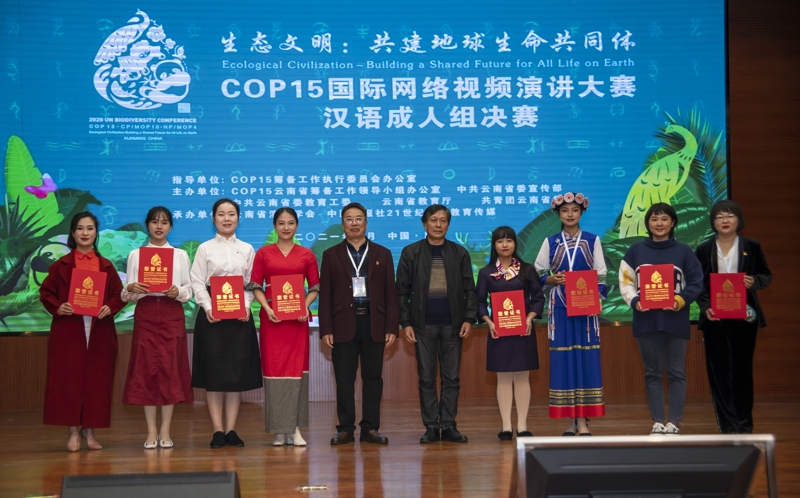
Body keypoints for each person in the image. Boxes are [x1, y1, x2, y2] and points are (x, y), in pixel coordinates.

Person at [39, 211, 125, 452]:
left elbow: (119, 295)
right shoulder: (60, 265)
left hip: (99, 330)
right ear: (73, 233)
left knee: (97, 382)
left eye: (90, 228)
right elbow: (46, 294)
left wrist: (110, 307)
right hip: (69, 330)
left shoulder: (106, 265)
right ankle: (72, 431)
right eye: (80, 228)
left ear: (96, 233)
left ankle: (90, 430)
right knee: (70, 380)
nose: (85, 233)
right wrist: (59, 307)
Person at [318, 202, 399, 446]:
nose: (354, 223)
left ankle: (370, 428)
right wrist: (326, 328)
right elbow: (325, 294)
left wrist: (391, 327)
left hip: (374, 323)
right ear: (343, 224)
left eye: (359, 218)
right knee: (344, 379)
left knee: (373, 378)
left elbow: (391, 293)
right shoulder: (331, 255)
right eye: (349, 219)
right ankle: (345, 429)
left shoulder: (382, 253)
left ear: (366, 222)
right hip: (343, 324)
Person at [619, 202, 703, 435]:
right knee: (652, 373)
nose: (659, 223)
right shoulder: (635, 250)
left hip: (676, 320)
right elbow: (625, 282)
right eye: (654, 219)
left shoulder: (684, 251)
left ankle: (674, 421)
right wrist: (635, 301)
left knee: (676, 372)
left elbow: (696, 281)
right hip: (645, 321)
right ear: (647, 223)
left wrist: (681, 299)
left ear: (673, 222)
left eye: (664, 218)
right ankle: (657, 421)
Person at [396, 204, 477, 444]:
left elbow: (469, 290)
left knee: (452, 379)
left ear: (448, 225)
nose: (438, 225)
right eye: (433, 220)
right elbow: (401, 292)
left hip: (454, 326)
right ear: (425, 224)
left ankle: (449, 425)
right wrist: (406, 322)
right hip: (423, 327)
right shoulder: (411, 252)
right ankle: (431, 426)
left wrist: (469, 318)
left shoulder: (459, 253)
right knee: (426, 379)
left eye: (443, 220)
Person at [190, 198, 261, 448]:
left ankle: (231, 430)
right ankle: (217, 431)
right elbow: (197, 281)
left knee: (235, 374)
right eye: (221, 214)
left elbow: (252, 282)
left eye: (231, 214)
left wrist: (246, 305)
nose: (227, 218)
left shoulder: (248, 249)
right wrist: (209, 307)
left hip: (239, 316)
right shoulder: (205, 248)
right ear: (213, 218)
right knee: (214, 373)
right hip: (212, 316)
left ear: (238, 218)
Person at [534, 192, 607, 436]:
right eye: (565, 211)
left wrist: (597, 298)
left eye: (575, 210)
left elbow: (601, 273)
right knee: (564, 361)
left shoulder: (592, 240)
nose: (570, 215)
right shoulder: (551, 242)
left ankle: (583, 419)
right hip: (560, 307)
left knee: (585, 360)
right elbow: (537, 271)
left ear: (582, 213)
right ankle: (570, 421)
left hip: (586, 307)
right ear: (558, 214)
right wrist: (550, 279)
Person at [695, 200, 771, 434]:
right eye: (719, 217)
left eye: (729, 216)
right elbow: (697, 283)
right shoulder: (704, 249)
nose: (724, 220)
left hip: (744, 318)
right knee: (719, 374)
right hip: (715, 319)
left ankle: (744, 426)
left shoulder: (751, 245)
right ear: (713, 222)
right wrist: (705, 306)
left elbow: (765, 275)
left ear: (738, 219)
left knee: (742, 371)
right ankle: (727, 427)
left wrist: (754, 281)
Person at [121, 207, 194, 449]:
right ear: (147, 225)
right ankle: (151, 431)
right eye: (154, 222)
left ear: (171, 226)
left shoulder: (180, 255)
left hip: (172, 314)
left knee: (170, 369)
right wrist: (130, 288)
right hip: (146, 313)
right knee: (146, 370)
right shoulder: (136, 255)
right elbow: (128, 295)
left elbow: (188, 291)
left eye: (164, 222)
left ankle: (165, 431)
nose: (159, 226)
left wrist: (177, 291)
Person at [250, 208, 319, 446]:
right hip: (273, 319)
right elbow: (255, 285)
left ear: (297, 226)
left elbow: (315, 287)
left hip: (297, 322)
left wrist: (304, 307)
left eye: (290, 223)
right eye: (281, 223)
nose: (286, 227)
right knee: (274, 372)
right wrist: (267, 309)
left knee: (296, 371)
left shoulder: (306, 254)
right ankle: (279, 429)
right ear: (275, 226)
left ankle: (294, 428)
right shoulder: (263, 253)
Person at [478, 226, 545, 440]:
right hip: (499, 331)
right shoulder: (486, 272)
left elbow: (538, 298)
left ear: (515, 244)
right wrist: (488, 321)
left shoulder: (527, 270)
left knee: (523, 377)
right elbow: (479, 302)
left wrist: (529, 318)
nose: (505, 245)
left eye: (509, 240)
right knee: (503, 378)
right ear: (494, 245)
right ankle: (506, 426)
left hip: (523, 330)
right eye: (500, 241)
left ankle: (522, 425)